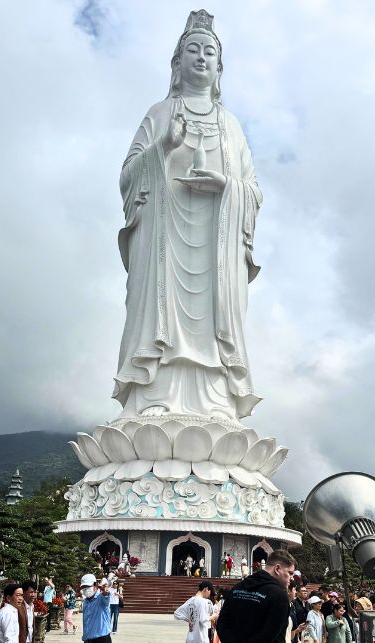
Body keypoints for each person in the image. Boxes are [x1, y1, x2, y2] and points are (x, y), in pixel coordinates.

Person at [112, 9, 263, 423]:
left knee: (213, 320)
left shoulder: (230, 125)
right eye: (192, 51)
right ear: (177, 65)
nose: (201, 57)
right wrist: (163, 144)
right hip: (163, 238)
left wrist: (225, 186)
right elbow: (127, 178)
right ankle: (153, 394)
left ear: (219, 68)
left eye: (209, 52)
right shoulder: (159, 113)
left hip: (217, 240)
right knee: (161, 314)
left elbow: (253, 190)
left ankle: (215, 400)